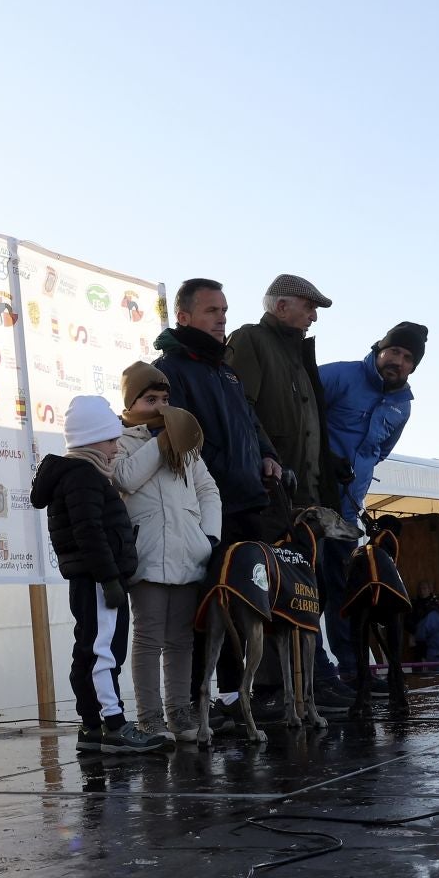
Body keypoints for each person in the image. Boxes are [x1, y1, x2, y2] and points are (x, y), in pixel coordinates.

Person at [152, 278, 282, 716]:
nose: (222, 318)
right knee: (209, 605)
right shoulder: (170, 370)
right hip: (205, 509)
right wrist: (219, 476)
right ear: (184, 317)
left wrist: (267, 456)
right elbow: (178, 439)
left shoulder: (226, 370)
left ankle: (235, 695)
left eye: (224, 310)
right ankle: (195, 701)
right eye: (211, 310)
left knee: (245, 600)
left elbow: (250, 422)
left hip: (248, 503)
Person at [29, 395, 166, 754]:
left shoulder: (81, 475)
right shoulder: (84, 477)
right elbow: (90, 532)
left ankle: (91, 726)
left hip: (92, 579)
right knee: (104, 653)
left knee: (90, 650)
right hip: (98, 581)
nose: (116, 446)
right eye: (110, 439)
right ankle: (114, 725)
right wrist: (109, 579)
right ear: (91, 440)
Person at [115, 363, 220, 744]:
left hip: (187, 553)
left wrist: (207, 536)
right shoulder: (121, 440)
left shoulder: (186, 444)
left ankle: (179, 710)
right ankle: (149, 718)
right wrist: (158, 442)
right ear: (131, 402)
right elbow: (124, 478)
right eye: (150, 399)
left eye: (165, 399)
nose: (160, 406)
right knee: (148, 638)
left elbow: (208, 490)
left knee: (181, 639)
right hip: (147, 554)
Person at [317, 321, 424, 683]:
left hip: (348, 511)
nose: (397, 360)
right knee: (303, 587)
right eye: (393, 351)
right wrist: (323, 457)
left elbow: (379, 452)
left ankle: (353, 670)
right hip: (310, 503)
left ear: (413, 366)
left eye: (407, 357)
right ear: (379, 349)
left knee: (344, 591)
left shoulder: (403, 408)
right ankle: (314, 674)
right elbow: (298, 416)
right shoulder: (338, 376)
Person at [226, 275, 333, 511]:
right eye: (309, 307)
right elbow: (238, 409)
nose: (314, 317)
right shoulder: (250, 339)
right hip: (268, 496)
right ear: (282, 307)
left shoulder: (299, 357)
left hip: (305, 499)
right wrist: (268, 460)